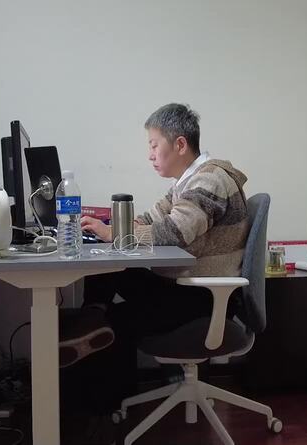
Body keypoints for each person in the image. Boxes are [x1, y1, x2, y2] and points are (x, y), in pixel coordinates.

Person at [58, 103, 250, 389]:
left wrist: (113, 233)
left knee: (116, 318)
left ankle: (102, 392)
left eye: (154, 145)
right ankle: (91, 315)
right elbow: (152, 218)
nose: (150, 155)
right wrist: (111, 227)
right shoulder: (185, 183)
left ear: (180, 145)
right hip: (184, 287)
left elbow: (175, 232)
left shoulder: (210, 180)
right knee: (110, 265)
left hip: (202, 298)